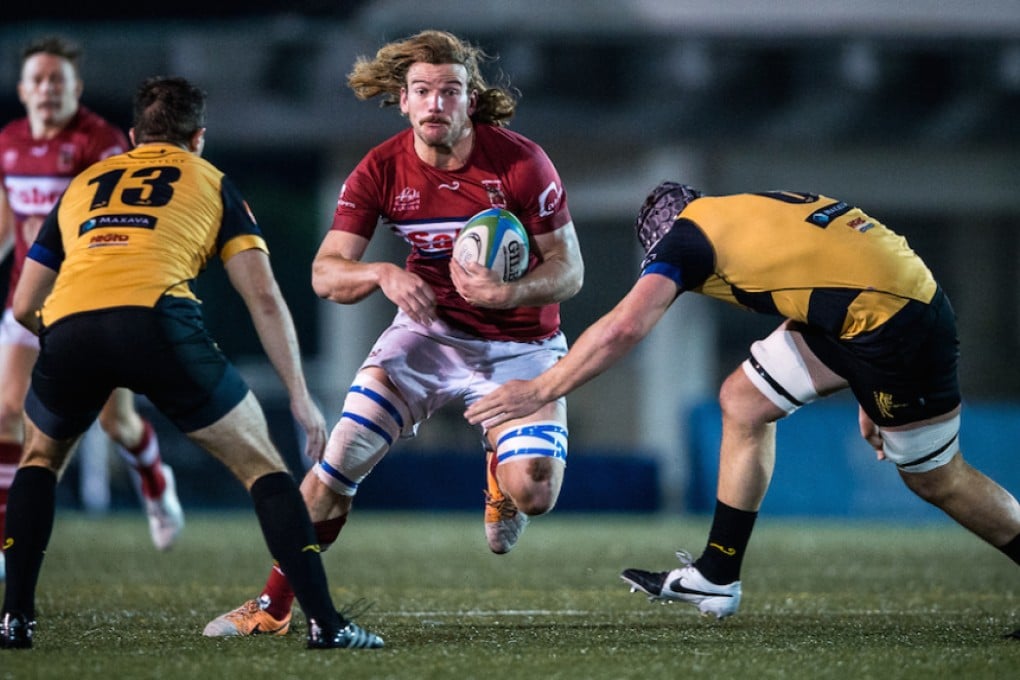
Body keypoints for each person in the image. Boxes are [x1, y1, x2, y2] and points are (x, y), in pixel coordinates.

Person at [465, 181, 1020, 622]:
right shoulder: (740, 211)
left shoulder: (686, 239)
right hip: (876, 311)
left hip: (891, 325)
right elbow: (824, 271)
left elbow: (625, 328)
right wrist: (864, 385)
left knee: (936, 478)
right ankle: (717, 572)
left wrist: (538, 389)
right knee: (744, 400)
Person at [203, 29, 583, 637]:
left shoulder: (520, 161)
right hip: (427, 337)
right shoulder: (380, 168)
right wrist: (381, 272)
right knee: (338, 463)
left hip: (521, 346)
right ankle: (273, 605)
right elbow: (325, 273)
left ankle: (501, 477)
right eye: (423, 91)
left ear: (471, 100)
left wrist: (508, 293)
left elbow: (570, 270)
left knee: (535, 491)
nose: (436, 103)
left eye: (450, 91)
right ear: (402, 100)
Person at [0, 76, 383, 650]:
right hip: (158, 322)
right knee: (265, 470)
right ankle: (326, 624)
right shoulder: (213, 182)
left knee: (39, 462)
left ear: (133, 136)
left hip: (72, 326)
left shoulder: (83, 184)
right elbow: (262, 297)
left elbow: (26, 303)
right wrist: (301, 399)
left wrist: (69, 342)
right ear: (198, 138)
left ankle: (15, 621)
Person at [0, 36, 183, 569]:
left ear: (75, 89)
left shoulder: (99, 142)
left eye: (58, 79)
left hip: (90, 301)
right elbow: (8, 222)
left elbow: (114, 220)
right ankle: (7, 541)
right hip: (30, 299)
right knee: (7, 411)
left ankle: (152, 475)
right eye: (38, 79)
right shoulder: (9, 140)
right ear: (22, 89)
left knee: (113, 422)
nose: (47, 88)